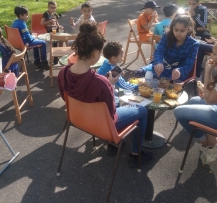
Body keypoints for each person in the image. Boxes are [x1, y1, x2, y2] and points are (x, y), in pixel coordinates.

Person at [58, 22, 153, 167]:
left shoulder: (63, 72)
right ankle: (136, 153)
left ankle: (116, 146)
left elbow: (67, 97)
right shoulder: (101, 83)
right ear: (96, 53)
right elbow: (111, 116)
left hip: (77, 119)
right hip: (101, 126)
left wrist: (110, 87)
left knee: (116, 99)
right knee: (142, 110)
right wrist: (110, 85)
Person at [174, 38, 217, 165]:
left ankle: (205, 143)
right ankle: (214, 142)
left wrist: (207, 71)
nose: (211, 55)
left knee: (178, 111)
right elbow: (213, 94)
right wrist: (207, 91)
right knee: (194, 101)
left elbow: (209, 100)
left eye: (215, 53)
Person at [135, 13, 199, 81]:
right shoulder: (167, 35)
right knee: (139, 73)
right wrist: (159, 62)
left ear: (188, 30)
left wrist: (179, 70)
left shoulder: (193, 44)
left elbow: (189, 65)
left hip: (176, 73)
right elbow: (158, 51)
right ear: (172, 28)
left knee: (163, 83)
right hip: (161, 66)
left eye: (182, 31)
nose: (178, 33)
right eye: (176, 30)